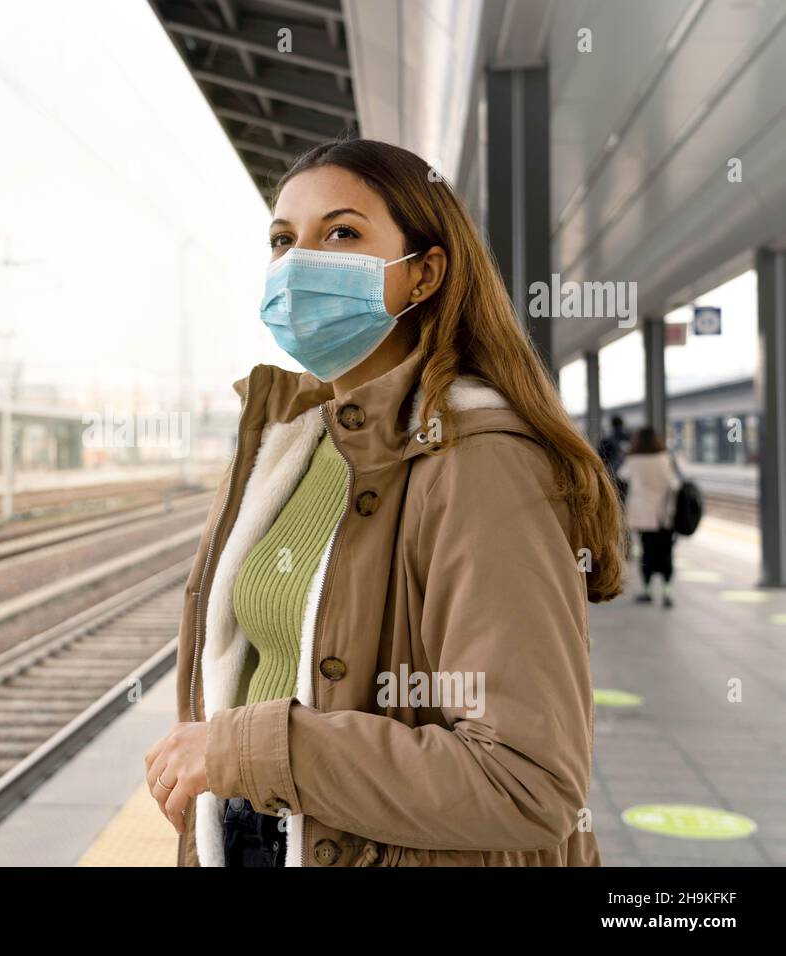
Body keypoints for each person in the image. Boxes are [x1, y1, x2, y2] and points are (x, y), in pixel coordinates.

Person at [144, 138, 626, 867]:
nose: (299, 262)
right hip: (267, 835)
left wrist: (242, 748)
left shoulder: (478, 461)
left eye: (340, 232)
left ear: (424, 274)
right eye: (283, 239)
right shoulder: (292, 442)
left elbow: (527, 783)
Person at [617, 426, 682, 608]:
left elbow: (622, 476)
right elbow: (674, 484)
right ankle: (667, 591)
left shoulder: (633, 459)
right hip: (664, 515)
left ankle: (646, 591)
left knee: (647, 552)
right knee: (666, 552)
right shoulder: (664, 458)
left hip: (643, 515)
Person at [597, 414, 630, 492]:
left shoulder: (607, 439)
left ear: (612, 424)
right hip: (628, 473)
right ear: (622, 424)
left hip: (613, 473)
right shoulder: (630, 438)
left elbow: (600, 456)